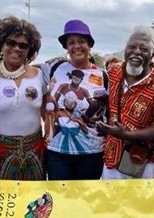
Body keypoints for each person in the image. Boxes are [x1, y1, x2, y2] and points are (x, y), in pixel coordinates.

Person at [0, 16, 45, 180]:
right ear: (1, 44)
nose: (17, 48)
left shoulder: (40, 75)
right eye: (11, 43)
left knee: (33, 200)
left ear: (29, 50)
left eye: (23, 45)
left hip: (36, 151)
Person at [97, 26, 154, 179]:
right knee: (110, 201)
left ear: (152, 55)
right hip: (112, 157)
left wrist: (126, 134)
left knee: (140, 203)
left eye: (143, 49)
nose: (136, 51)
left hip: (143, 160)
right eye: (132, 47)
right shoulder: (114, 72)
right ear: (125, 50)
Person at [42, 19, 107, 180]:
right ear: (66, 48)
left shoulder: (103, 75)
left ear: (89, 45)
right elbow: (26, 68)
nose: (76, 46)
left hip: (91, 152)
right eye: (71, 42)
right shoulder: (55, 68)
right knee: (60, 201)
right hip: (57, 152)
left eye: (81, 41)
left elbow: (109, 111)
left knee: (85, 202)